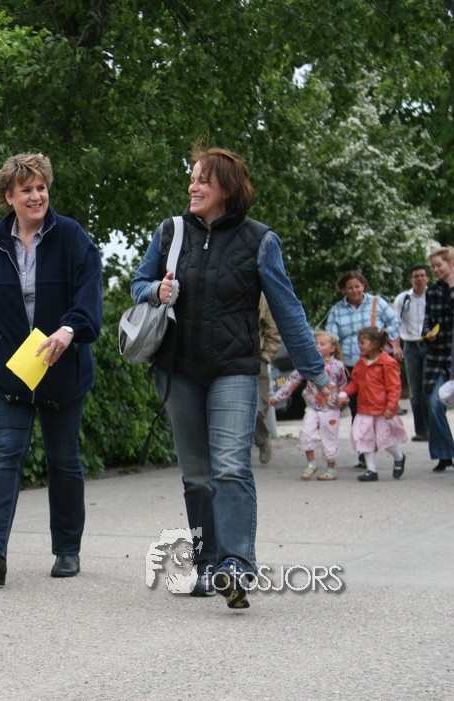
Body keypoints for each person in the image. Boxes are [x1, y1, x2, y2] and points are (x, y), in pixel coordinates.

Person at [131, 146, 332, 610]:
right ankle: (207, 567)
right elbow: (139, 283)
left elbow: (287, 309)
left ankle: (237, 566)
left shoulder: (260, 240)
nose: (193, 186)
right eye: (192, 178)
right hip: (180, 369)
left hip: (234, 370)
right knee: (197, 476)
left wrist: (315, 372)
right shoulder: (171, 232)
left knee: (230, 468)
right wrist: (156, 289)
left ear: (227, 188)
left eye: (203, 179)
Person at [0, 152, 103, 584]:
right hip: (11, 373)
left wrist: (70, 329)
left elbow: (89, 293)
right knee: (4, 455)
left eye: (41, 187)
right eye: (26, 190)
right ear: (9, 197)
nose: (36, 196)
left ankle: (67, 550)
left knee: (64, 460)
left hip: (63, 368)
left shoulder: (71, 236)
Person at [269, 331, 348, 480]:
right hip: (312, 406)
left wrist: (343, 396)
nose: (318, 346)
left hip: (330, 409)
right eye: (315, 343)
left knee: (329, 438)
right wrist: (278, 397)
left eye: (322, 344)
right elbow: (292, 381)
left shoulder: (338, 366)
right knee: (306, 433)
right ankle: (311, 464)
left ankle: (331, 468)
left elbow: (343, 384)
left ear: (332, 348)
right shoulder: (308, 364)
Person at [337, 327, 408, 481]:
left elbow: (394, 387)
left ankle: (399, 457)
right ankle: (371, 470)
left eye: (362, 342)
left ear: (375, 343)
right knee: (364, 437)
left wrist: (391, 407)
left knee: (385, 440)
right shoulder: (361, 363)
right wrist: (344, 393)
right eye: (359, 342)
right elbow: (355, 383)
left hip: (382, 410)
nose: (359, 345)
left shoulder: (387, 363)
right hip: (364, 409)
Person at [422, 247, 454, 472]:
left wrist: (451, 287)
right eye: (433, 266)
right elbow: (427, 318)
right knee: (433, 404)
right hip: (437, 355)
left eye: (439, 265)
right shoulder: (432, 291)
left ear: (451, 263)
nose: (435, 270)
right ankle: (444, 453)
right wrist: (427, 332)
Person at [393, 264, 431, 442]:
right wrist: (396, 346)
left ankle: (433, 429)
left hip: (430, 344)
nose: (419, 279)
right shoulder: (403, 299)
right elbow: (396, 324)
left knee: (429, 388)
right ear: (410, 279)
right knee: (415, 391)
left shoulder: (433, 296)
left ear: (427, 278)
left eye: (422, 275)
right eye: (416, 276)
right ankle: (421, 430)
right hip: (410, 346)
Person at [255, 297, 282, 464]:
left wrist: (265, 357)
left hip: (256, 358)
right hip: (226, 359)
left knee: (258, 408)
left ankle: (262, 438)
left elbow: (273, 330)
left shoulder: (261, 296)